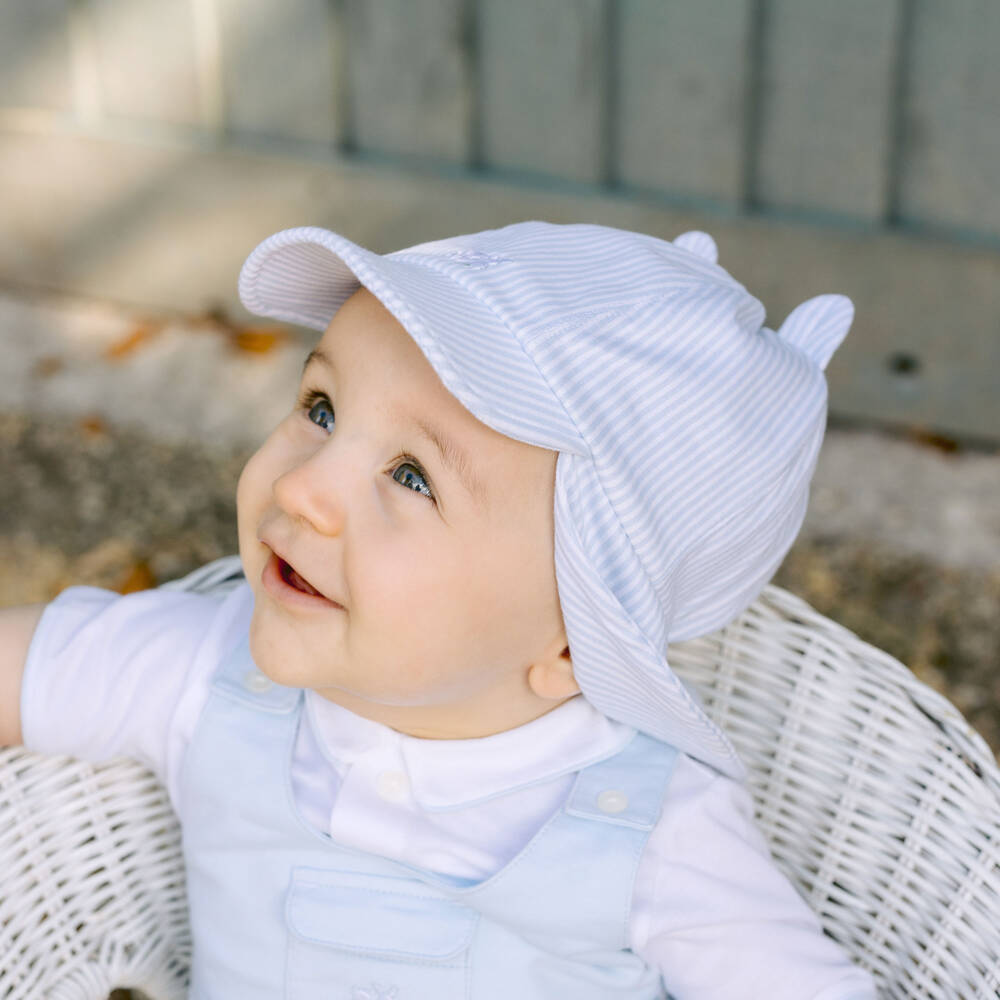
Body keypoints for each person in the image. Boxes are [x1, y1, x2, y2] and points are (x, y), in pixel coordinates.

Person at [0, 221, 878, 998]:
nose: (305, 487)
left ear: (575, 646)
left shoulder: (655, 833)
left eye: (412, 476)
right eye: (321, 408)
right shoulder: (196, 669)